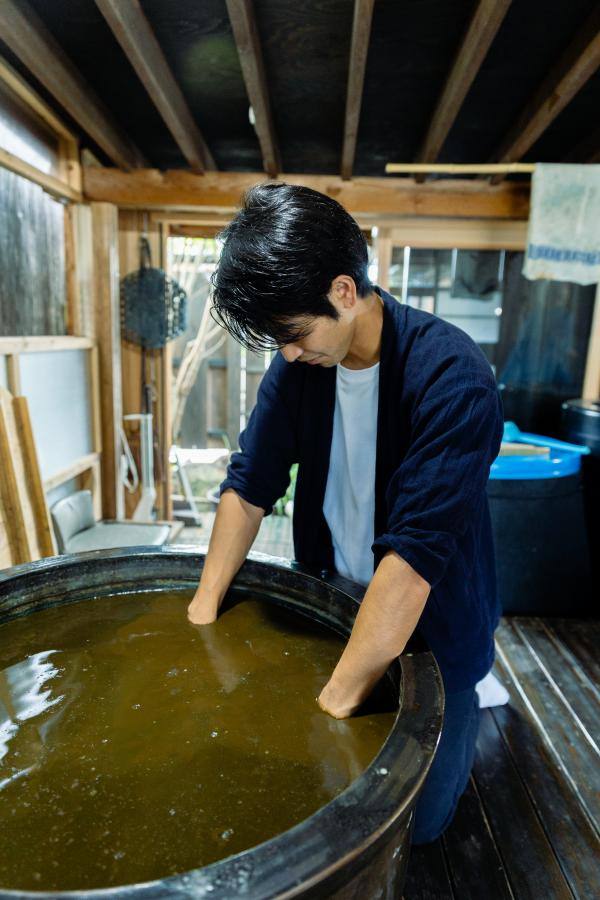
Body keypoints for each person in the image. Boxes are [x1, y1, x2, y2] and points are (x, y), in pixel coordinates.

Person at [187, 182, 503, 844]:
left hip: (430, 629)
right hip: (332, 601)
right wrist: (201, 615)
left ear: (343, 291)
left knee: (411, 826)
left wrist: (325, 715)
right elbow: (249, 486)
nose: (288, 354)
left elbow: (413, 562)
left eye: (294, 335)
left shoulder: (454, 379)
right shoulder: (301, 369)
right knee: (307, 796)